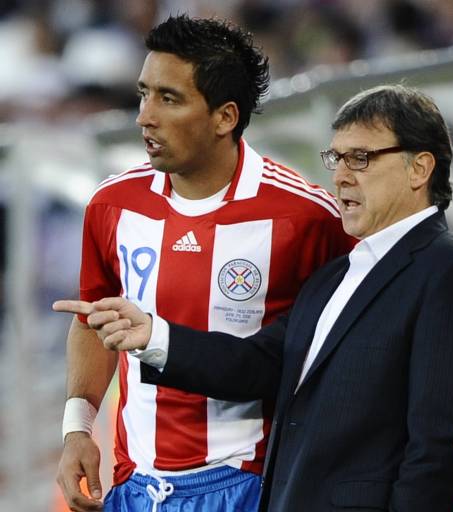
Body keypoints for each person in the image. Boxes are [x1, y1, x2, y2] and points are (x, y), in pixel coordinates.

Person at [54, 84, 453, 511]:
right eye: (337, 159)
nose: (342, 178)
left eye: (361, 159)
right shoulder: (334, 276)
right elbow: (260, 364)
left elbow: (436, 452)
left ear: (420, 168)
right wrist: (154, 336)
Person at [57, 14, 352, 512]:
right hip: (134, 483)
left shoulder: (307, 217)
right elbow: (93, 319)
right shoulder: (113, 204)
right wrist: (77, 430)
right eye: (143, 93)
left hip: (247, 483)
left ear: (225, 117)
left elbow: (343, 355)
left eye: (168, 99)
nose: (144, 116)